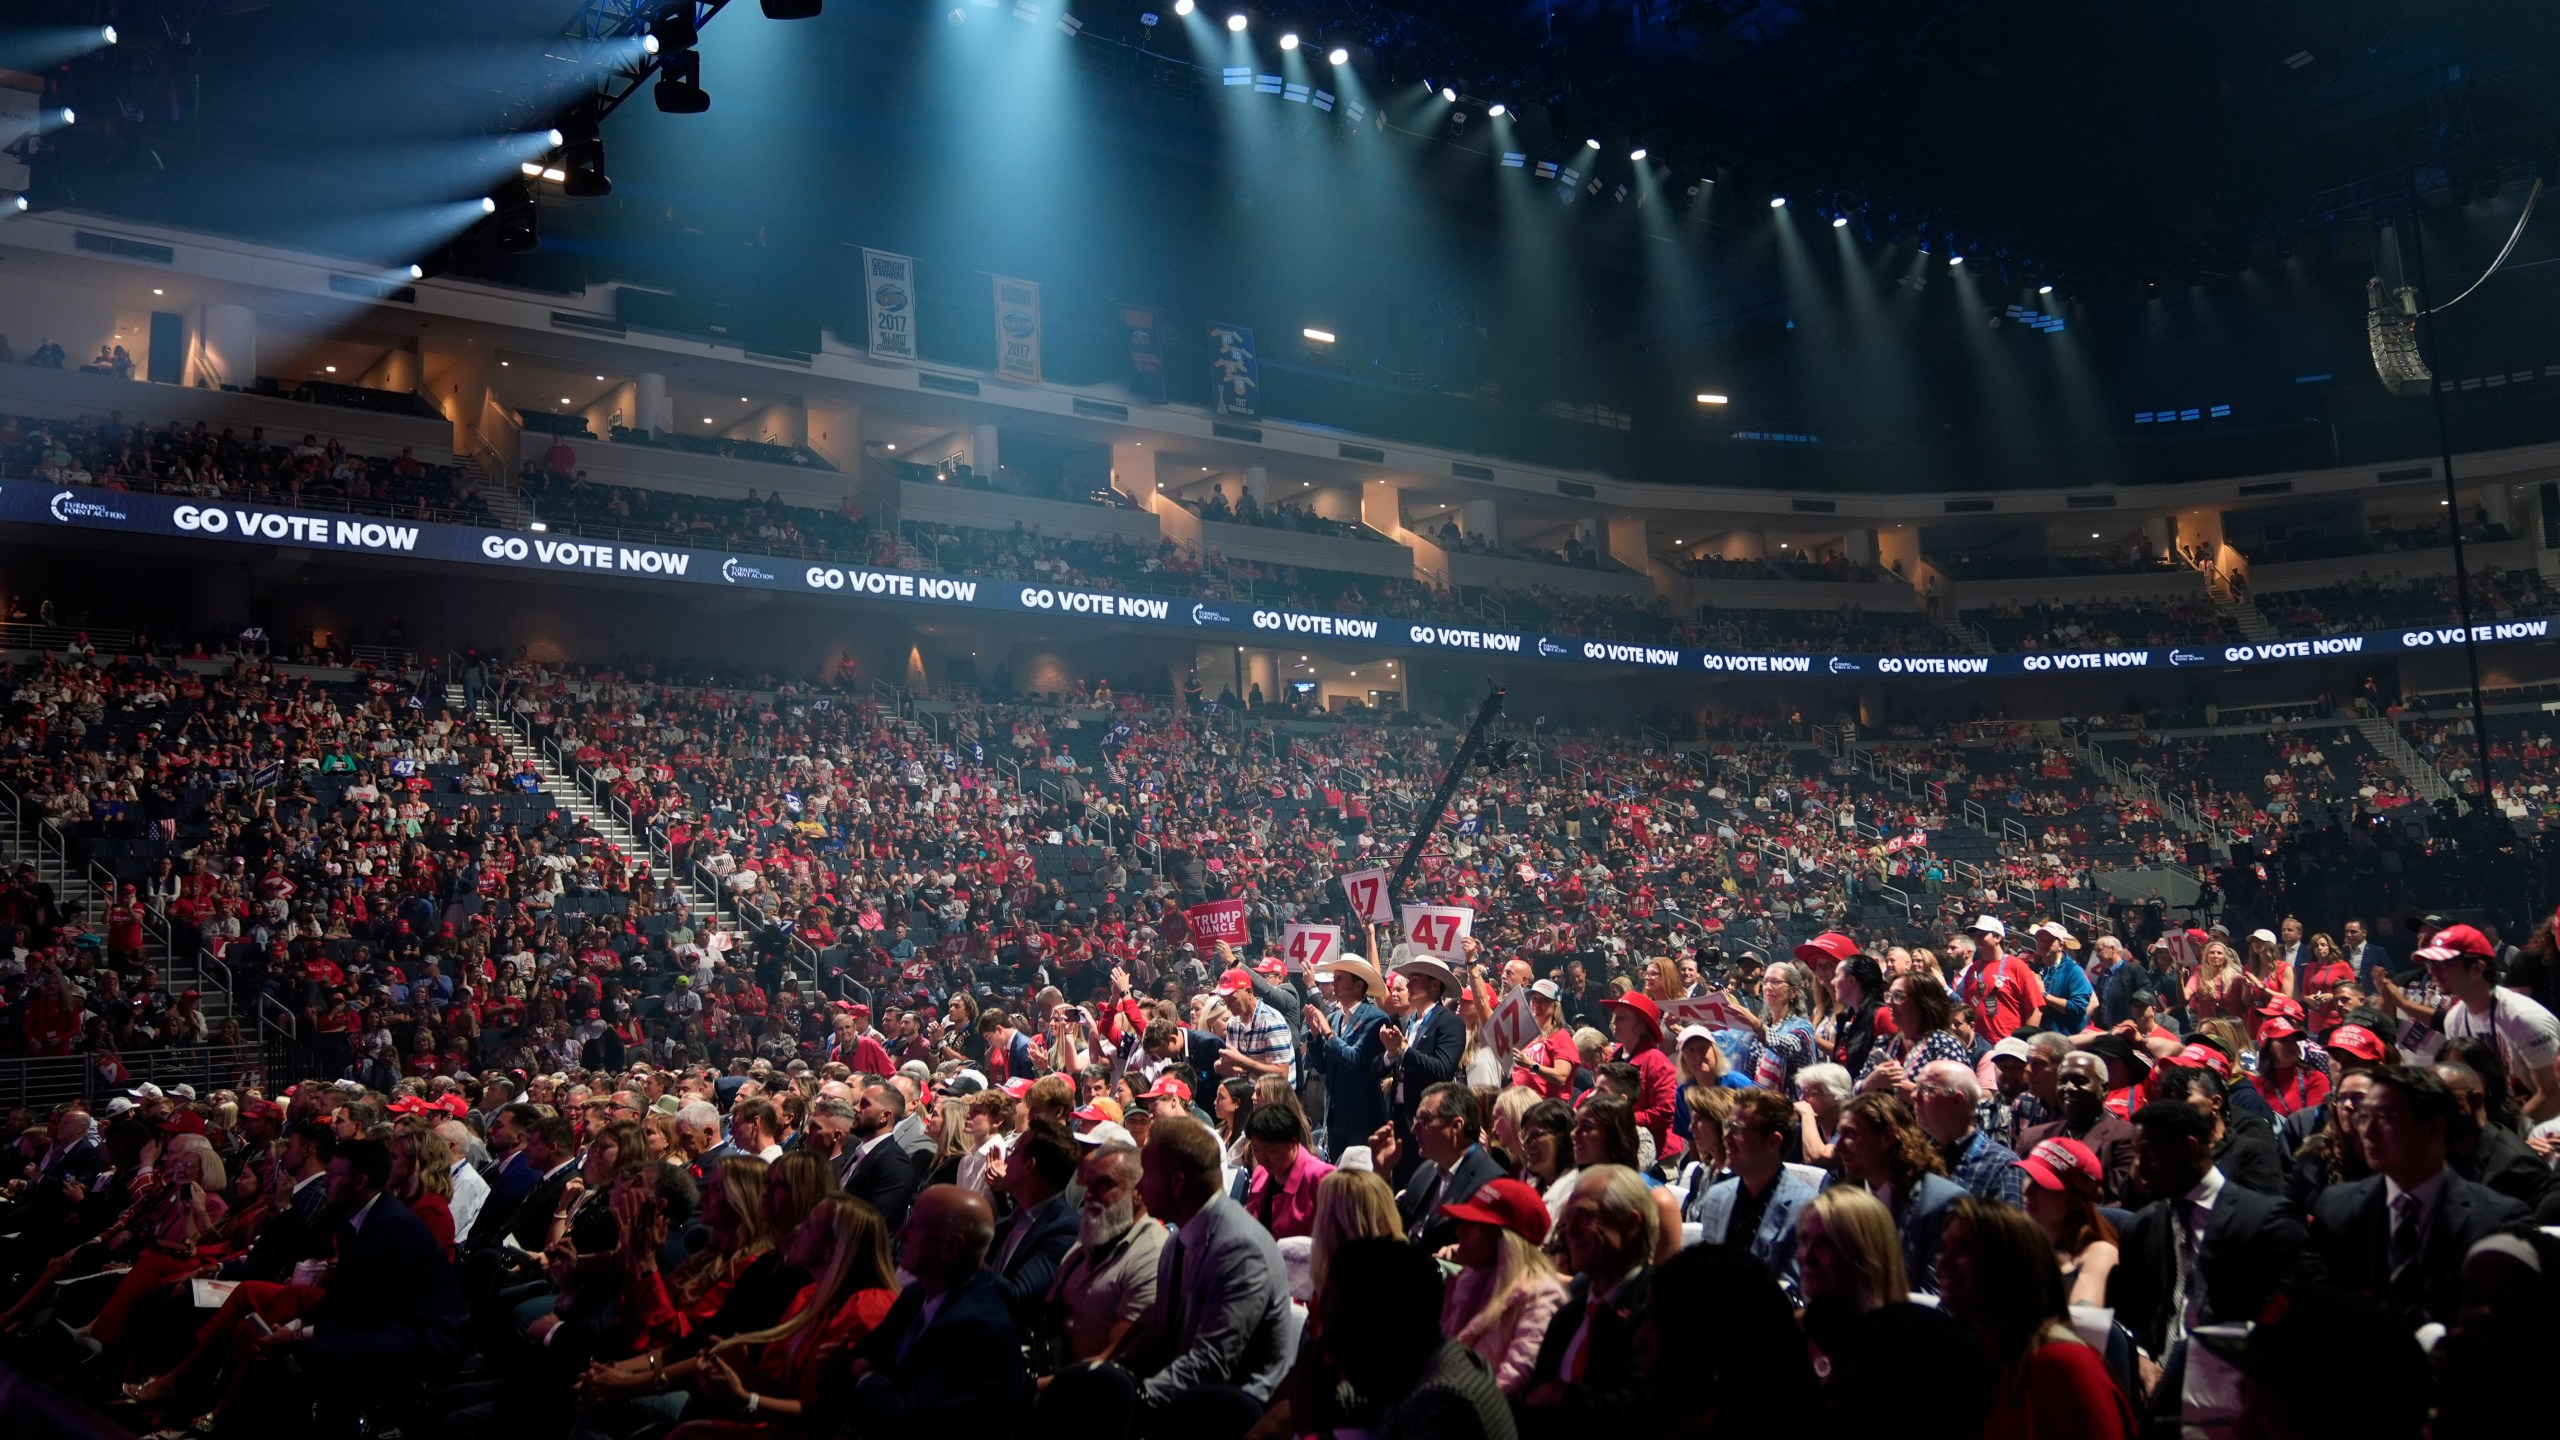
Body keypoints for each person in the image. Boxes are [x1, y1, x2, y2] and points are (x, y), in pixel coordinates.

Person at [2107, 1099, 2307, 1412]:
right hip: (2155, 1391)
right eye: (2136, 1153)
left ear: (2189, 1148)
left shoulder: (2266, 1220)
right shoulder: (2143, 1226)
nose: (2139, 1167)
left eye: (2149, 1153)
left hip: (2236, 1392)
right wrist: (2141, 1361)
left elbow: (2287, 1329)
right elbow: (2128, 1316)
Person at [2302, 1064, 2531, 1326]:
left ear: (2434, 1128)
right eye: (2364, 1117)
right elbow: (2315, 1300)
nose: (2368, 1131)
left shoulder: (2496, 1221)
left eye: (2386, 1117)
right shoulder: (2336, 1208)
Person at [1126, 1115, 1297, 1409]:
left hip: (1235, 1414)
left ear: (1176, 1181)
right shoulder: (1175, 1243)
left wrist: (1134, 1400)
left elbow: (1211, 1363)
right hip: (1184, 1402)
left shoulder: (1240, 1249)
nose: (1138, 1186)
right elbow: (1160, 1336)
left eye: (1147, 1173)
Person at [1936, 1197, 2135, 1440]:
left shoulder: (2064, 1364)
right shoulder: (1978, 1357)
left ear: (2009, 1267)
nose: (1943, 1262)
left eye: (1964, 1250)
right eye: (1944, 1248)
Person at [834, 1186, 1025, 1434]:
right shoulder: (916, 1294)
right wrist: (845, 1363)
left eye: (915, 1225)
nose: (901, 1233)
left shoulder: (980, 1331)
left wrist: (865, 1376)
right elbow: (865, 1355)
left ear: (950, 1247)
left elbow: (904, 1421)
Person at [1316, 1237, 1518, 1440]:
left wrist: (1308, 1426)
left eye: (1337, 1334)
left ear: (1378, 1327)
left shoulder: (1444, 1401)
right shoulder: (1430, 1366)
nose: (1331, 1353)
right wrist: (1313, 1394)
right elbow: (1365, 1400)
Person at [2376, 922, 2560, 1123]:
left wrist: (2508, 1138)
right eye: (2430, 964)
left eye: (2443, 964)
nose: (2433, 971)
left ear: (2477, 968)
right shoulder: (2455, 1020)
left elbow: (2552, 1095)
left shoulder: (2523, 1018)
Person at [1518, 1165, 1655, 1434]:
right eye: (1568, 1220)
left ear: (1631, 1224)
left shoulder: (1660, 1310)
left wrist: (1565, 1396)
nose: (1571, 1231)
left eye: (1585, 1216)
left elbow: (1646, 1412)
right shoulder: (1568, 1315)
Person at [1436, 1176, 1567, 1395]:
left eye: (1474, 1224)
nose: (1460, 1231)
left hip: (1482, 1419)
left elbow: (1514, 1380)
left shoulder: (1541, 1295)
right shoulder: (1466, 1281)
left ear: (1505, 1240)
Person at [1683, 1087, 1818, 1285]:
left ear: (1773, 1141)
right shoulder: (1717, 1197)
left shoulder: (1806, 1211)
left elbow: (1797, 1290)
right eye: (1727, 1127)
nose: (1726, 1138)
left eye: (1736, 1130)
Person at [1831, 1092, 1966, 1290]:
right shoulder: (1845, 1196)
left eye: (1850, 1134)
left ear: (1887, 1137)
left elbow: (1939, 1296)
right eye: (1839, 1135)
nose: (1838, 1147)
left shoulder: (1942, 1203)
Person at [1370, 1081, 1503, 1252]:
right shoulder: (1425, 1171)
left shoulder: (1492, 1183)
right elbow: (1391, 1227)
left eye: (1425, 1119)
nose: (1414, 1129)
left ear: (1456, 1126)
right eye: (1416, 1119)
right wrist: (1382, 1173)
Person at [986, 1119, 1080, 1327]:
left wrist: (966, 1256)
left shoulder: (1064, 1229)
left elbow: (1019, 1295)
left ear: (1029, 1165)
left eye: (1012, 1153)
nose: (1006, 1160)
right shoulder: (1011, 1222)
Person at [2018, 1051, 2138, 1202]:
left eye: (2079, 1080)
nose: (2069, 1088)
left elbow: (2119, 1194)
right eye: (2062, 1081)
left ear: (2104, 1090)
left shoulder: (2125, 1135)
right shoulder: (2033, 1137)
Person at [2015, 1136, 2120, 1308]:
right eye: (2029, 1176)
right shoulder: (2021, 1245)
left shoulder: (2099, 1254)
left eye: (2043, 1183)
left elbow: (2084, 1330)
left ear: (2076, 1202)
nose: (2028, 1190)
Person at [1302, 957, 1390, 1159]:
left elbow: (1356, 1060)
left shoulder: (1375, 1018)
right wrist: (1315, 1035)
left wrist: (1328, 1035)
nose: (1334, 983)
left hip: (1362, 1117)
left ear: (1358, 985)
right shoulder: (1334, 1018)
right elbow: (1323, 1066)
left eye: (1340, 979)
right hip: (1334, 1117)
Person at [1379, 955, 1466, 1157]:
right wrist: (1391, 1053)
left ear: (1435, 985)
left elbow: (1443, 1069)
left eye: (1415, 979)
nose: (1409, 985)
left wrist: (1402, 1049)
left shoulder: (1450, 1023)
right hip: (1399, 1116)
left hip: (1427, 1120)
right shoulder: (1409, 1022)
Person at [1914, 1059, 2027, 1207]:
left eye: (1928, 1089)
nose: (1914, 1095)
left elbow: (2009, 1229)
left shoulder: (2003, 1167)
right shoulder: (1917, 1155)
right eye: (1917, 1088)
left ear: (1956, 1101)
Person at [1241, 1101, 1334, 1240]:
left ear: (1293, 1142)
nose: (1262, 1159)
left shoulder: (1324, 1178)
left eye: (1271, 1151)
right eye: (1256, 1149)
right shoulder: (1261, 1174)